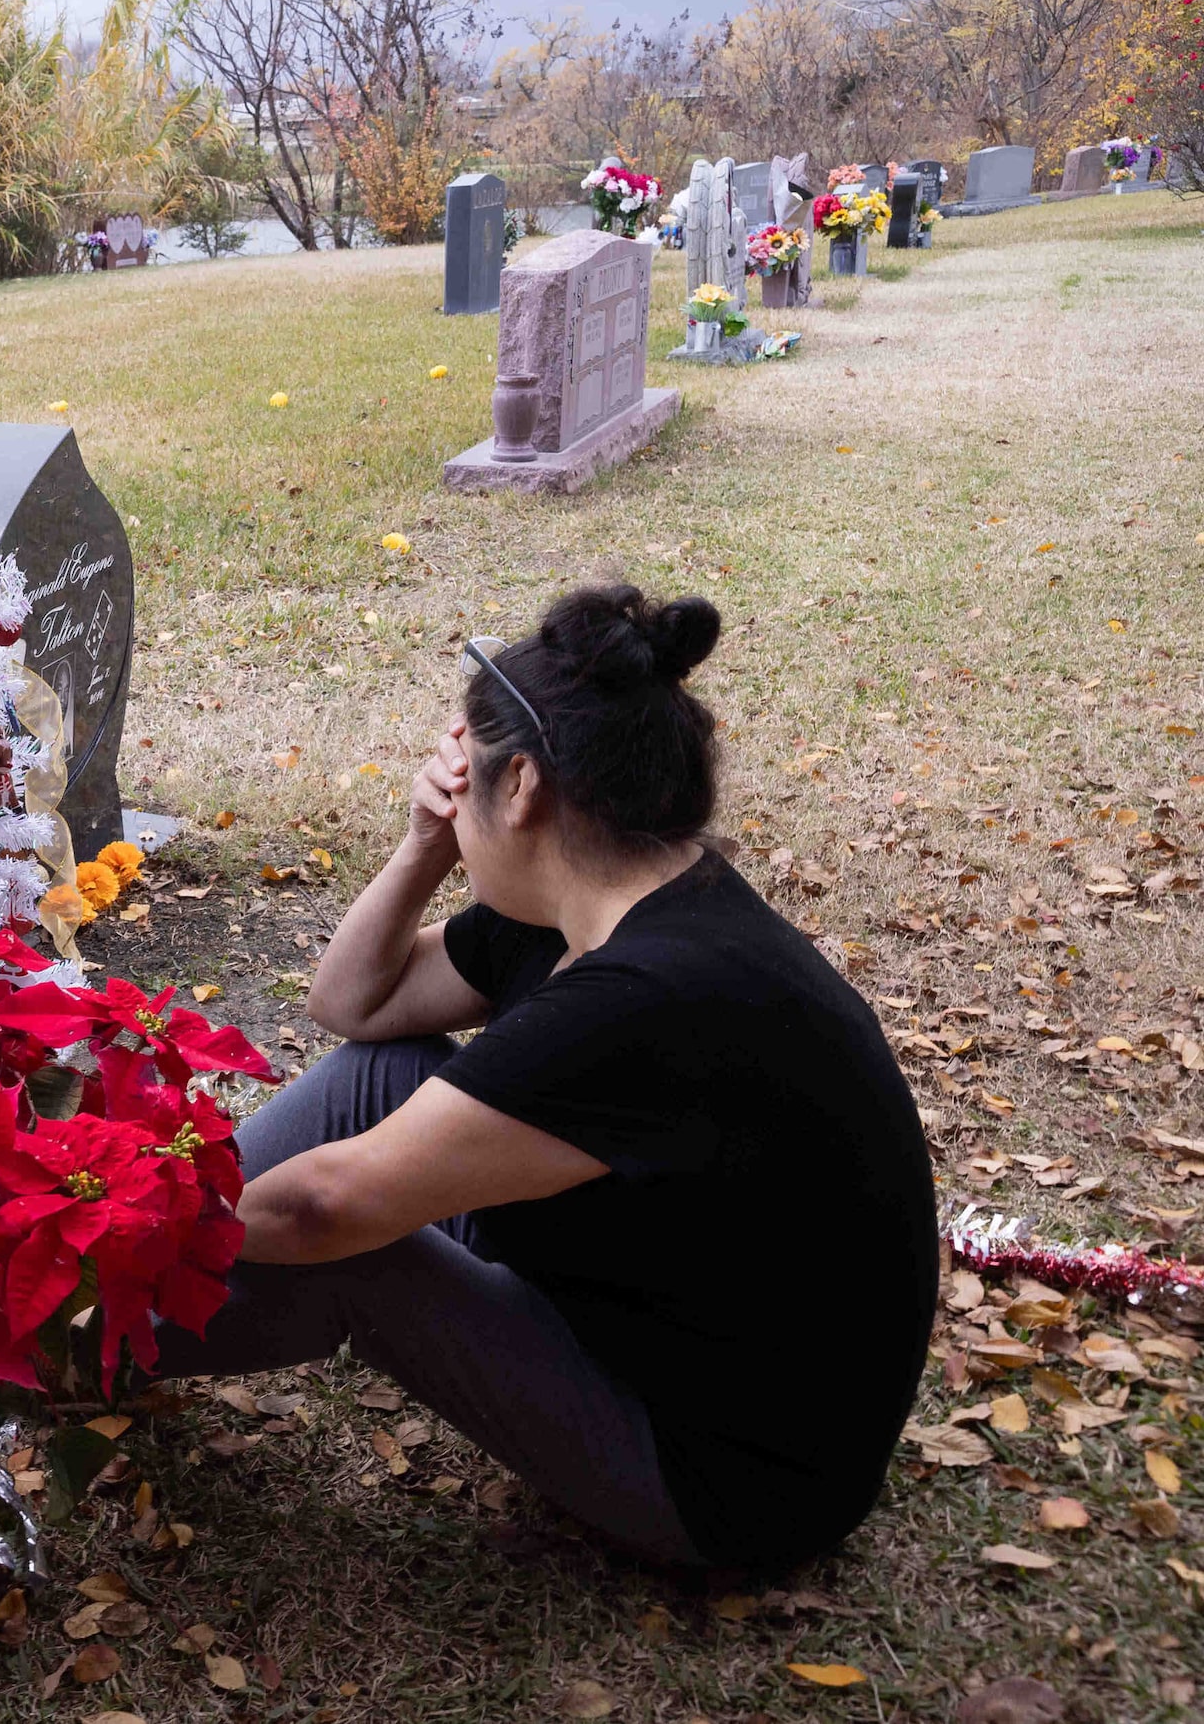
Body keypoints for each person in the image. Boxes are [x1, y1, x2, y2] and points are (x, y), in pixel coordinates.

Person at [157, 586, 935, 1570]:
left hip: (724, 1487)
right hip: (640, 1311)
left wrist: (115, 1230)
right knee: (383, 1073)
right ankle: (121, 1308)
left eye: (464, 772)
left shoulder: (649, 996)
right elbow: (354, 1007)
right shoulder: (614, 907)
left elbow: (321, 1211)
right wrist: (421, 845)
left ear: (518, 784)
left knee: (349, 1241)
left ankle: (73, 1335)